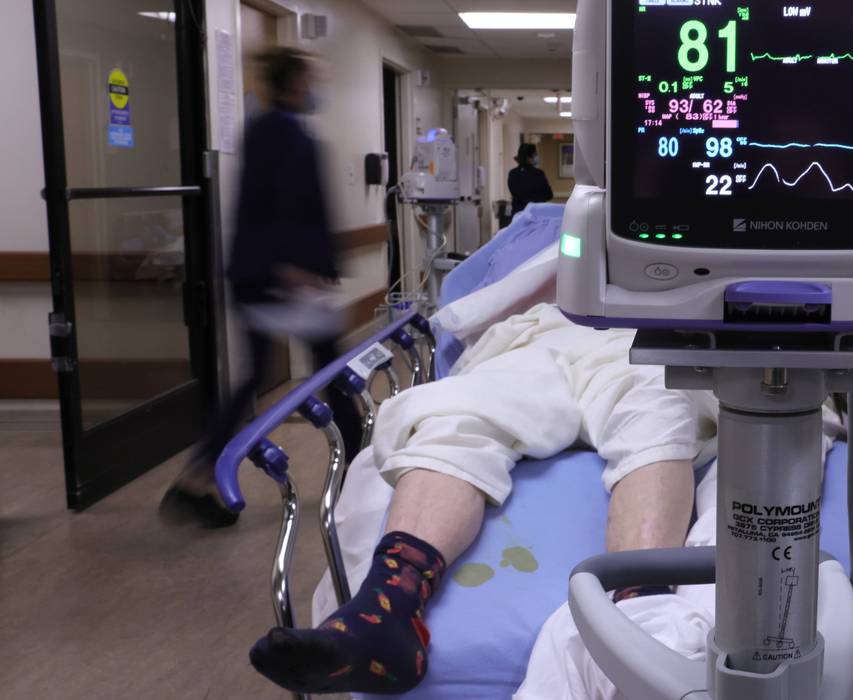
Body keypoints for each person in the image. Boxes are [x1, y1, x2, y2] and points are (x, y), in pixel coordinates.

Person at [248, 303, 717, 695]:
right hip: (537, 336)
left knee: (660, 408)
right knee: (454, 415)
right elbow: (473, 304)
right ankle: (388, 607)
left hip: (646, 338)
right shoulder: (540, 242)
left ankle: (637, 613)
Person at [160, 48, 362, 528]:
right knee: (330, 370)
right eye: (310, 78)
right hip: (280, 278)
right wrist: (300, 270)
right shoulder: (287, 137)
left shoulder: (259, 130)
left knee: (259, 377)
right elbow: (287, 208)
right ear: (293, 84)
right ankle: (361, 472)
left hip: (259, 274)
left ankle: (195, 479)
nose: (315, 88)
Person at [508, 143, 554, 214]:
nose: (537, 157)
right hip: (536, 213)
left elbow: (514, 193)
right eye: (535, 154)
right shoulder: (538, 173)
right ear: (528, 157)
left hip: (518, 214)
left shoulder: (512, 174)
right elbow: (549, 194)